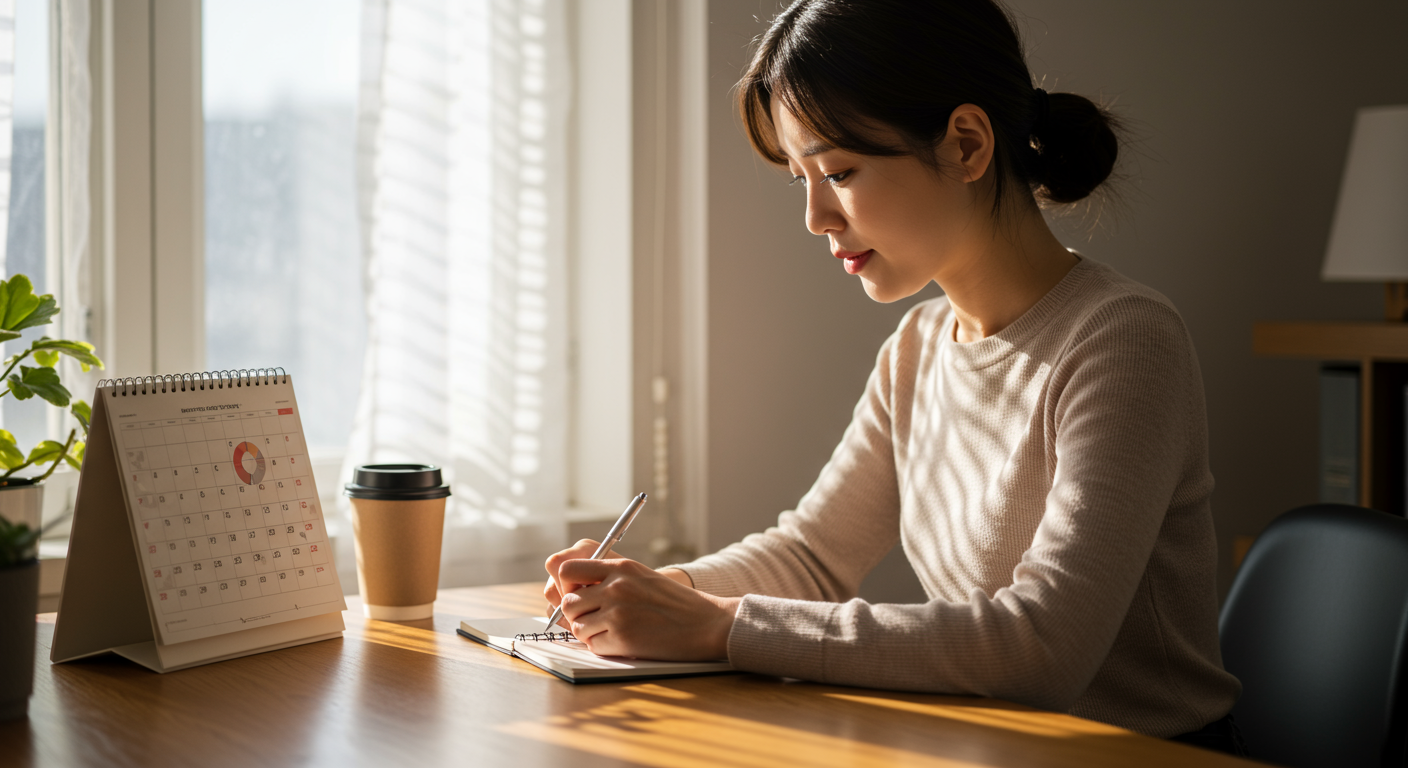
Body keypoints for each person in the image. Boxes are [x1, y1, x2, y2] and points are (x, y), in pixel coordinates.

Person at [544, 0, 1246, 756]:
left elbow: (1043, 648)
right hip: (991, 748)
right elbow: (812, 558)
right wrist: (659, 595)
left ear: (967, 145)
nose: (816, 216)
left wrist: (720, 625)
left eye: (840, 171)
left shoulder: (1124, 339)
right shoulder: (917, 346)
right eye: (801, 178)